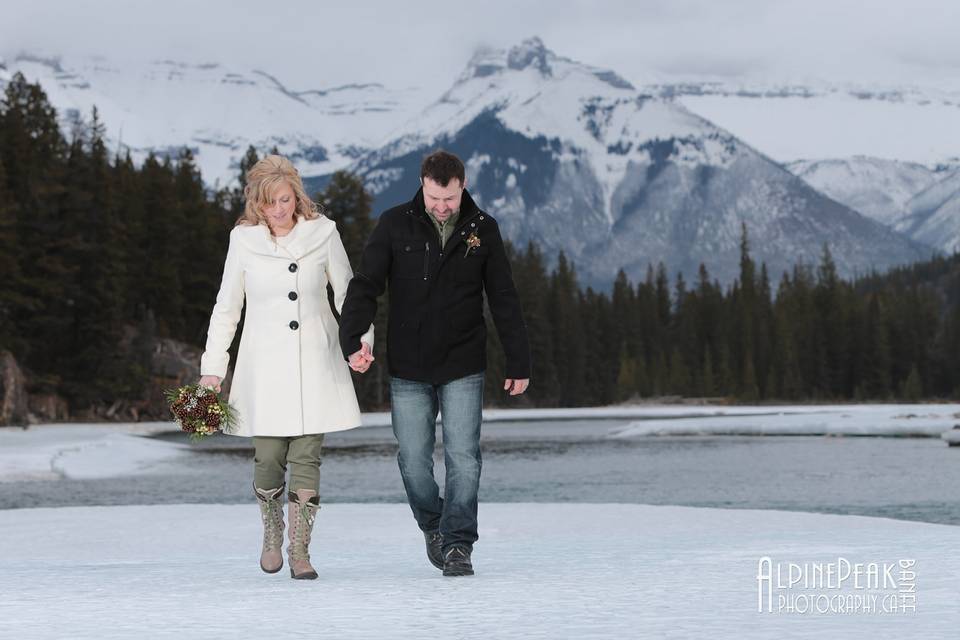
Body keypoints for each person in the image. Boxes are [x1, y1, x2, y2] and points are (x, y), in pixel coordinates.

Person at [339, 150, 531, 577]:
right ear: (423, 185)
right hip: (409, 365)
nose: (442, 207)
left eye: (449, 198)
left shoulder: (483, 229)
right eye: (434, 198)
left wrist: (519, 360)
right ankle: (434, 525)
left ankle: (459, 543)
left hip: (463, 362)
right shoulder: (393, 224)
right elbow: (366, 284)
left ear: (462, 186)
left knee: (464, 457)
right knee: (412, 459)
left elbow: (503, 297)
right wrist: (350, 338)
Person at [198, 155, 373, 580]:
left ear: (297, 195)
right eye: (271, 202)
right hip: (263, 369)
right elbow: (226, 309)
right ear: (257, 204)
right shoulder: (243, 242)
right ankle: (272, 529)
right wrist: (212, 370)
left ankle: (299, 550)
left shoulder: (323, 233)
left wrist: (360, 345)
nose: (280, 209)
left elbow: (349, 296)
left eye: (286, 199)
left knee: (308, 456)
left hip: (316, 360)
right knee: (268, 459)